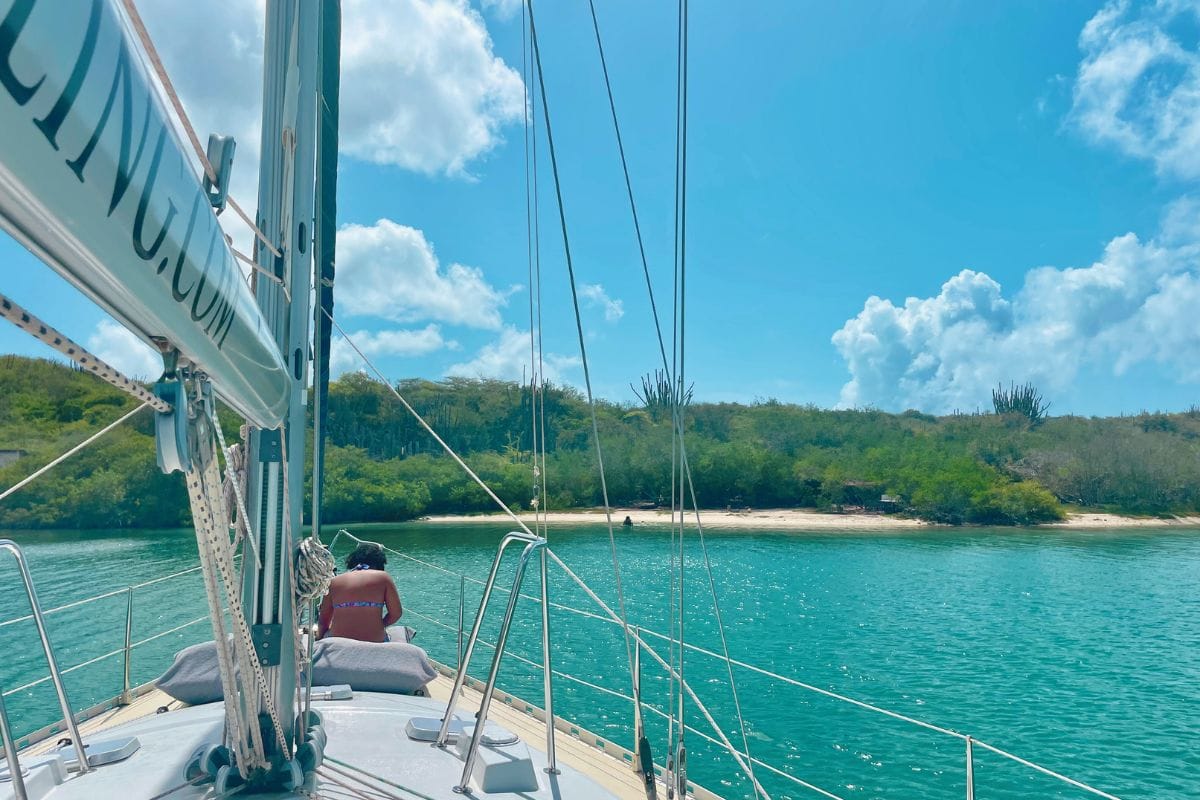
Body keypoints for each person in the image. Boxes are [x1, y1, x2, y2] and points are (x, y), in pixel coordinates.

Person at [317, 543, 402, 643]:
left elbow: (323, 621)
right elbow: (396, 614)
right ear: (379, 562)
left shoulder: (334, 581)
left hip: (339, 640)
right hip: (374, 640)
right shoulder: (384, 578)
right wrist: (380, 625)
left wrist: (319, 640)